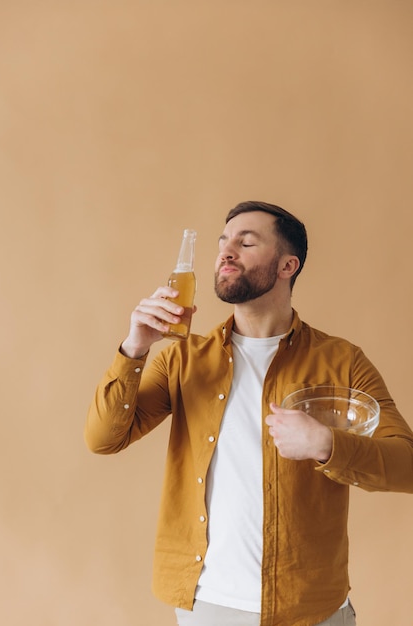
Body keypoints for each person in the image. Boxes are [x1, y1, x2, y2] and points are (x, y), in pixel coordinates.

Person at [85, 201, 413, 626]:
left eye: (247, 242)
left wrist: (327, 445)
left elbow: (406, 464)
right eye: (224, 241)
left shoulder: (342, 361)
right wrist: (135, 348)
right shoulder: (183, 359)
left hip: (311, 607)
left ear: (286, 266)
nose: (226, 251)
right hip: (208, 604)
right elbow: (104, 438)